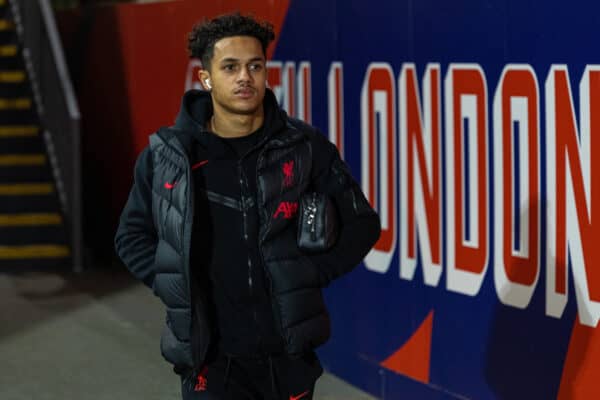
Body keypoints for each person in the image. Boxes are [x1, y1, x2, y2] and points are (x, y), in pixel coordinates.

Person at [115, 12, 380, 400]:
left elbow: (362, 224)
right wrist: (174, 284)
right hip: (209, 357)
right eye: (230, 67)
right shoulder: (169, 156)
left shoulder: (305, 147)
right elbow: (131, 236)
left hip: (286, 357)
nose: (245, 77)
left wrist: (312, 272)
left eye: (255, 66)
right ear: (205, 78)